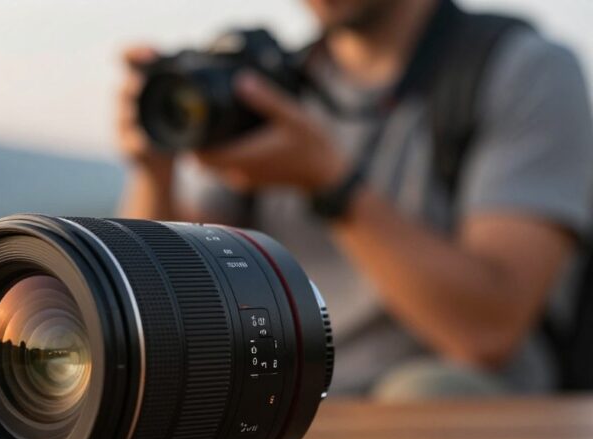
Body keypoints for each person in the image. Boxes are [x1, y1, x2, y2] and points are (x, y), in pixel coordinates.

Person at [116, 0, 593, 399]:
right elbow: (167, 301)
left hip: (463, 426)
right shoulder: (269, 87)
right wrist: (156, 172)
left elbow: (488, 331)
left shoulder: (523, 69)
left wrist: (332, 185)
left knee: (424, 391)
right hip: (289, 405)